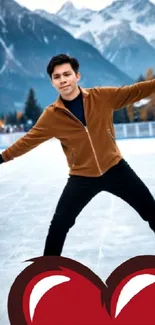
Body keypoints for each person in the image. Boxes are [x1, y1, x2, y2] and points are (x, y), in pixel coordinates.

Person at [0, 53, 155, 257]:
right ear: (52, 81)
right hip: (82, 177)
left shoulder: (102, 97)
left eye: (67, 74)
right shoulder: (51, 116)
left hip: (116, 168)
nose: (63, 80)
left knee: (151, 211)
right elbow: (27, 141)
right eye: (57, 77)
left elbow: (136, 91)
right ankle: (48, 272)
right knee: (59, 225)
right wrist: (2, 158)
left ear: (77, 76)